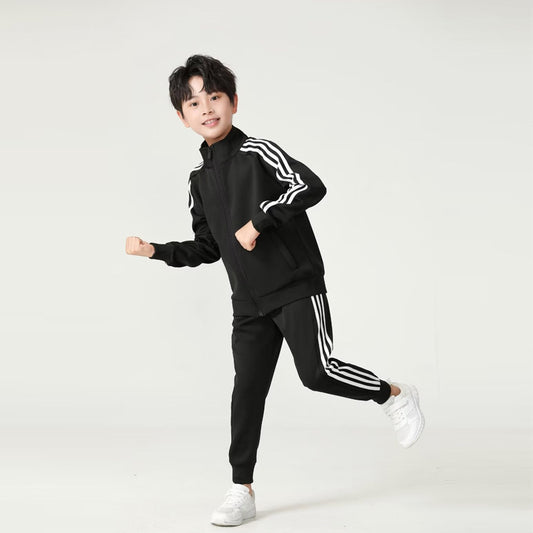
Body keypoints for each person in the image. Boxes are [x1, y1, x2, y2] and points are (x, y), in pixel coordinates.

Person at [125, 54, 425, 527]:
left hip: (294, 284)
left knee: (317, 373)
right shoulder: (198, 180)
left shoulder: (258, 152)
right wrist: (156, 251)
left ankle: (393, 394)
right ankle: (240, 489)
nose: (207, 108)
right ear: (182, 117)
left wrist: (259, 221)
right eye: (194, 103)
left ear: (233, 102)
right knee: (246, 392)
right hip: (248, 302)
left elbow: (310, 186)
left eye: (215, 97)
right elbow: (208, 247)